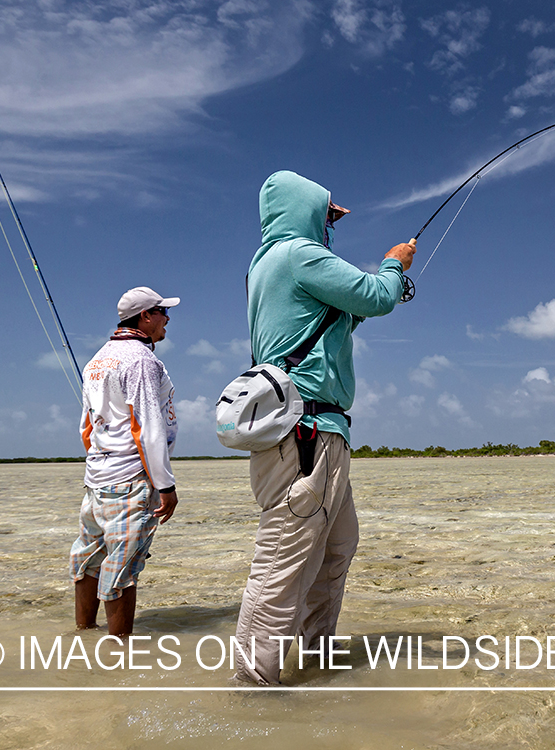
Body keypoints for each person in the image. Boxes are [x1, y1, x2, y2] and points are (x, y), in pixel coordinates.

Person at [232, 170, 415, 685]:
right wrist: (394, 265)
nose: (330, 219)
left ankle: (317, 663)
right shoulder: (298, 255)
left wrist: (322, 221)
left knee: (337, 548)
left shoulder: (266, 263)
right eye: (325, 210)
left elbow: (331, 316)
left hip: (316, 432)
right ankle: (251, 693)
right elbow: (376, 296)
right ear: (306, 212)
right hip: (307, 434)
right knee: (281, 565)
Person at [70, 286, 181, 637]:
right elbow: (148, 427)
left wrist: (98, 464)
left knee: (88, 560)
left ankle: (84, 633)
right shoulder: (142, 362)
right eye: (163, 312)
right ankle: (118, 660)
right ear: (146, 316)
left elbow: (85, 425)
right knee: (122, 568)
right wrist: (165, 485)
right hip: (132, 478)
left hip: (97, 478)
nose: (167, 319)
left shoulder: (96, 360)